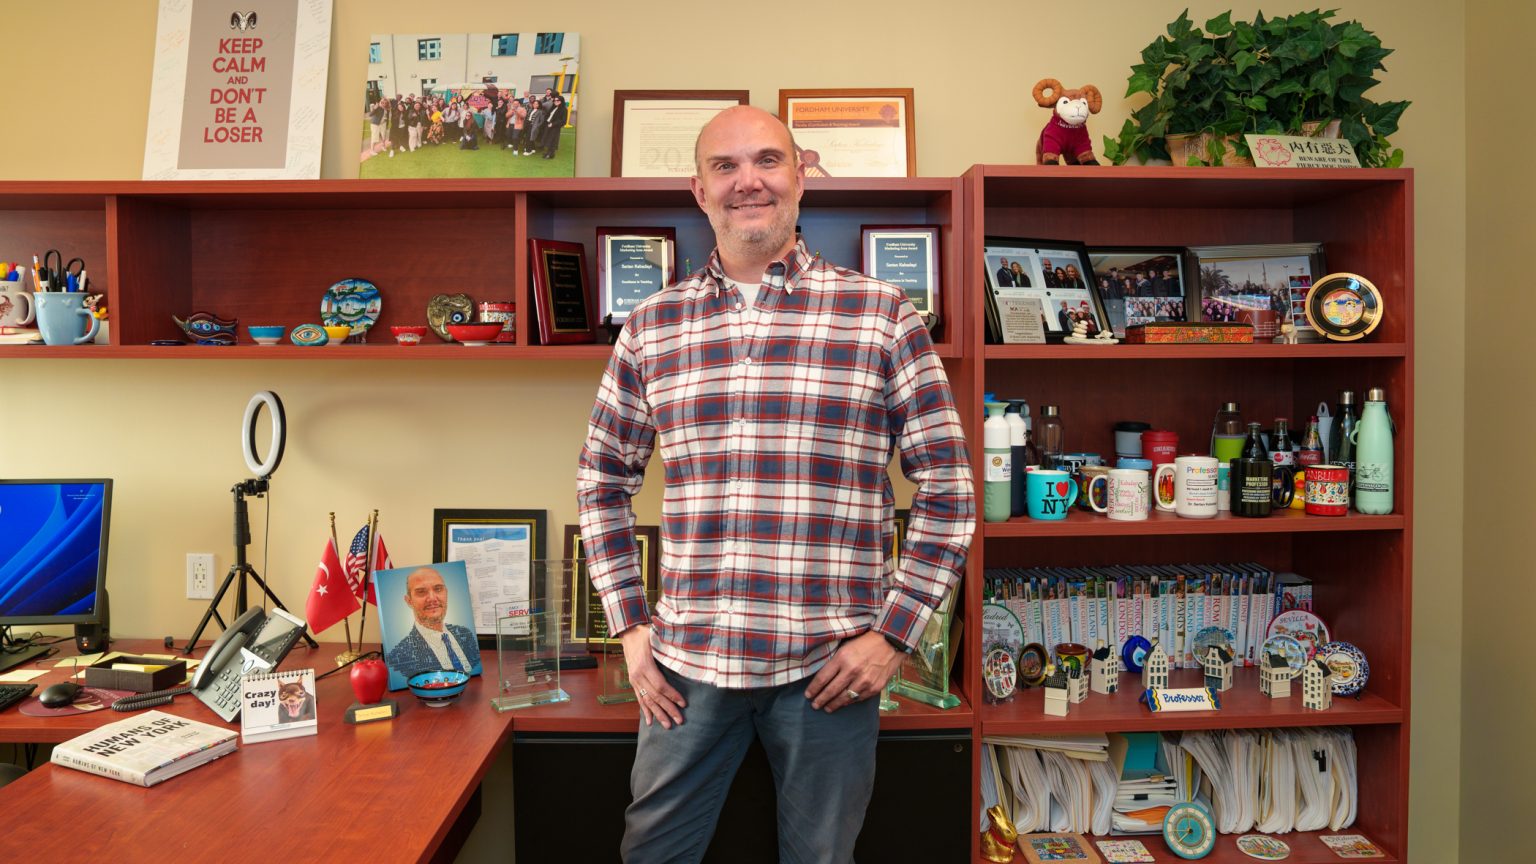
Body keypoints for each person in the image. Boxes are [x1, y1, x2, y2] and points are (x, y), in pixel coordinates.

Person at [576, 105, 973, 864]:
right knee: (651, 855)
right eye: (725, 167)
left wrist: (893, 636)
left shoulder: (883, 315)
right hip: (686, 669)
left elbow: (949, 488)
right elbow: (601, 479)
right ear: (699, 190)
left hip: (830, 671)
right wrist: (630, 631)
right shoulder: (651, 327)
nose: (747, 181)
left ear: (801, 174)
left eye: (767, 161)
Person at [384, 566, 480, 676]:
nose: (432, 598)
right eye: (421, 592)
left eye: (438, 589)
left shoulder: (465, 634)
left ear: (446, 592)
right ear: (409, 601)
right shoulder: (399, 658)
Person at [542, 93, 569, 159]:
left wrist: (553, 124)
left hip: (555, 127)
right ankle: (549, 153)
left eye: (558, 101)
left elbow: (563, 121)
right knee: (548, 139)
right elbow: (548, 115)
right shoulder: (553, 107)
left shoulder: (564, 110)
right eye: (555, 100)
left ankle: (550, 154)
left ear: (561, 101)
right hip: (548, 125)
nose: (556, 102)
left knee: (552, 140)